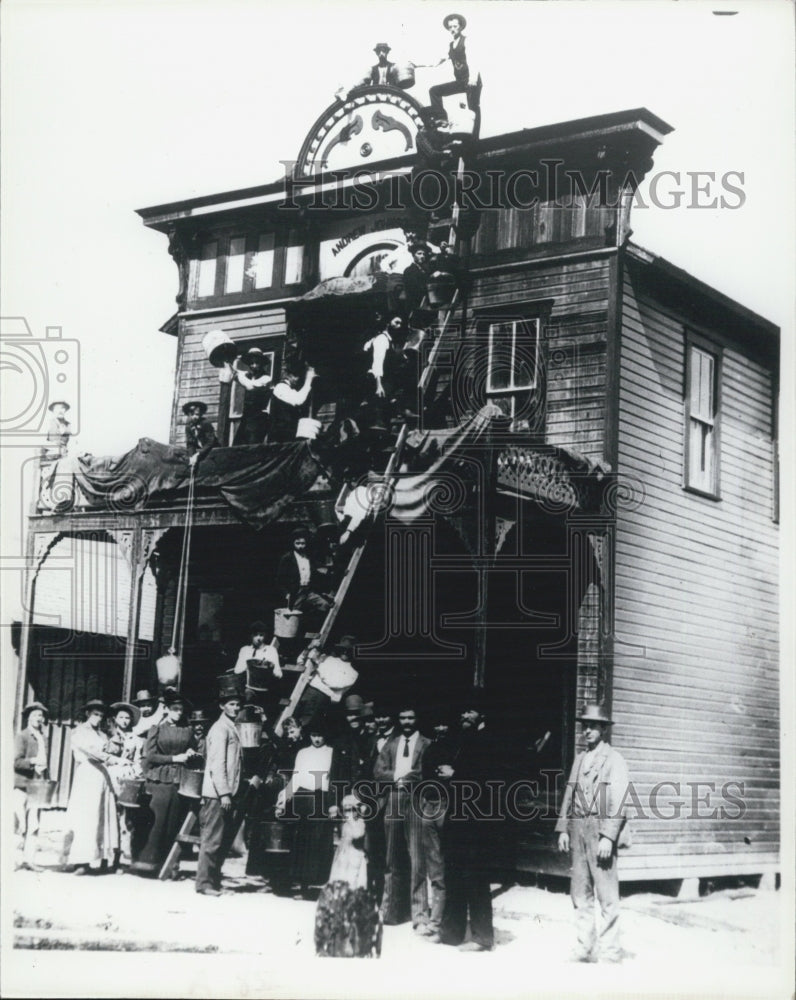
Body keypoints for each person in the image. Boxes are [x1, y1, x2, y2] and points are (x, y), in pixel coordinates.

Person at [556, 704, 630, 963]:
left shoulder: (615, 760)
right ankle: (584, 947)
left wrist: (608, 836)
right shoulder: (580, 759)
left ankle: (610, 951)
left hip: (600, 832)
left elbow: (619, 801)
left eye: (593, 726)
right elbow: (569, 793)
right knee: (580, 892)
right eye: (584, 726)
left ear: (603, 730)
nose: (587, 731)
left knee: (607, 895)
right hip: (578, 830)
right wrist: (563, 828)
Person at [436, 698, 496, 951]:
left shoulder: (491, 741)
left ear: (481, 714)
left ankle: (482, 938)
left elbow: (487, 780)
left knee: (476, 878)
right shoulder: (462, 739)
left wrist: (455, 775)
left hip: (479, 821)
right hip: (459, 819)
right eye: (463, 710)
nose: (464, 715)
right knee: (454, 876)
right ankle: (451, 933)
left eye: (470, 710)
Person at [196, 679, 262, 896]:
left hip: (228, 792)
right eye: (231, 704)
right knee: (213, 839)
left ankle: (214, 880)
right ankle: (204, 883)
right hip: (217, 794)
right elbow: (217, 764)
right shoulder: (219, 729)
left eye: (237, 704)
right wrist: (224, 793)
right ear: (221, 706)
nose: (235, 708)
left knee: (222, 839)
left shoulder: (233, 727)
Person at [373, 704, 431, 930]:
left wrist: (406, 778)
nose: (406, 722)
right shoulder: (391, 744)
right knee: (391, 857)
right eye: (403, 718)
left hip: (416, 801)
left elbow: (424, 772)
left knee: (417, 858)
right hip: (393, 800)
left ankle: (419, 915)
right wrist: (398, 777)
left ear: (417, 719)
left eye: (410, 718)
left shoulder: (426, 744)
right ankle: (390, 911)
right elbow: (379, 772)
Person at [131, 692, 199, 876]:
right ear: (167, 710)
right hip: (159, 780)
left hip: (180, 780)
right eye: (175, 709)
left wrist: (192, 751)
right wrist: (174, 758)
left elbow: (194, 748)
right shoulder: (157, 729)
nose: (178, 713)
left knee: (173, 823)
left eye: (181, 710)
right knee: (157, 823)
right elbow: (150, 756)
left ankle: (168, 865)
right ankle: (146, 864)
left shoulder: (188, 729)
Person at [314, 794, 383, 958]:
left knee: (353, 895)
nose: (347, 812)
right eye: (345, 809)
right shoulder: (345, 820)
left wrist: (351, 819)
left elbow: (359, 834)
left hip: (354, 860)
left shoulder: (358, 822)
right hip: (342, 858)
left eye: (350, 809)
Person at [276, 719, 337, 898]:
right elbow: (297, 777)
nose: (317, 739)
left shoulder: (331, 753)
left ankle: (317, 884)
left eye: (320, 735)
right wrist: (284, 798)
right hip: (303, 798)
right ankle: (302, 884)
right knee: (302, 841)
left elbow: (332, 779)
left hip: (321, 798)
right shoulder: (302, 753)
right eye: (314, 735)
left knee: (319, 841)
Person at [62, 700, 119, 875]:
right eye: (95, 714)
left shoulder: (103, 735)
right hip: (86, 775)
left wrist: (114, 745)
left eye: (101, 715)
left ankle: (101, 857)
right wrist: (109, 757)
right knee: (85, 817)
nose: (98, 718)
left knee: (101, 815)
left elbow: (112, 750)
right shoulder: (79, 732)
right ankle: (80, 861)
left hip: (102, 776)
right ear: (88, 714)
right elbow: (91, 751)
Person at [420, 707, 457, 937]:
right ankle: (435, 920)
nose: (440, 729)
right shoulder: (430, 749)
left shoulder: (456, 749)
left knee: (448, 864)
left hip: (448, 806)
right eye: (437, 725)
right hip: (430, 806)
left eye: (444, 725)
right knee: (434, 864)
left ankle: (444, 920)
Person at [423, 14, 482, 131]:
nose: (452, 29)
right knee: (434, 91)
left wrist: (473, 78)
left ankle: (474, 140)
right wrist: (418, 64)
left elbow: (473, 59)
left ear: (460, 27)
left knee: (473, 108)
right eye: (450, 27)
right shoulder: (451, 46)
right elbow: (438, 61)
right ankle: (442, 118)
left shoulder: (466, 41)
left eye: (455, 26)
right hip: (460, 82)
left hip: (471, 80)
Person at [105, 701, 143, 866]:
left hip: (126, 778)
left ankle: (122, 857)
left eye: (128, 718)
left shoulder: (135, 739)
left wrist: (135, 772)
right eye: (121, 717)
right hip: (110, 777)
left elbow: (138, 761)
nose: (125, 720)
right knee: (109, 815)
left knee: (125, 819)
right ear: (115, 718)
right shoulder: (107, 735)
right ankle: (107, 856)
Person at [14, 702, 50, 871]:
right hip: (22, 784)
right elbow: (16, 762)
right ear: (29, 717)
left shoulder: (43, 738)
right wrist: (33, 761)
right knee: (18, 823)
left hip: (37, 785)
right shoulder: (22, 736)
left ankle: (30, 860)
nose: (39, 718)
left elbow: (46, 763)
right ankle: (14, 860)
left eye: (41, 715)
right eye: (35, 715)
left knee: (34, 824)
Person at [276, 527, 333, 619]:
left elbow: (320, 569)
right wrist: (286, 594)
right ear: (293, 543)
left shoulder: (309, 557)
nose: (300, 546)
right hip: (295, 593)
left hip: (308, 591)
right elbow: (280, 580)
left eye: (303, 543)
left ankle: (313, 628)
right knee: (293, 616)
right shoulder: (287, 558)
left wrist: (333, 571)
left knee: (324, 606)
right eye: (297, 543)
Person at [220, 346, 274, 445]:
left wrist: (237, 375)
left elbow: (250, 386)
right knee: (237, 446)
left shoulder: (266, 378)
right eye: (251, 363)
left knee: (252, 446)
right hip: (246, 418)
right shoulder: (247, 375)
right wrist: (227, 362)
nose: (253, 365)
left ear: (261, 364)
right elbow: (235, 372)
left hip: (259, 419)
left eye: (256, 363)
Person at [232, 620, 283, 719]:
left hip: (265, 690)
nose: (258, 638)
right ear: (251, 636)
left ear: (265, 636)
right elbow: (237, 670)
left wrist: (269, 668)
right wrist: (250, 664)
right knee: (247, 697)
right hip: (249, 689)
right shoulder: (245, 650)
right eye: (256, 635)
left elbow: (279, 674)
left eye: (261, 635)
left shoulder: (270, 650)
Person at [268, 366, 317, 443]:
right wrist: (308, 380)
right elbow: (298, 400)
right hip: (280, 435)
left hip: (288, 433)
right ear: (288, 375)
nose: (297, 379)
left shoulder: (290, 389)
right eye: (295, 376)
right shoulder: (280, 387)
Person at [402, 243, 432, 315]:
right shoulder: (409, 270)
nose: (422, 256)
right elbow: (414, 289)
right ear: (413, 255)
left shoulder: (426, 270)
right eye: (419, 253)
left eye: (424, 254)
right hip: (415, 306)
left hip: (426, 303)